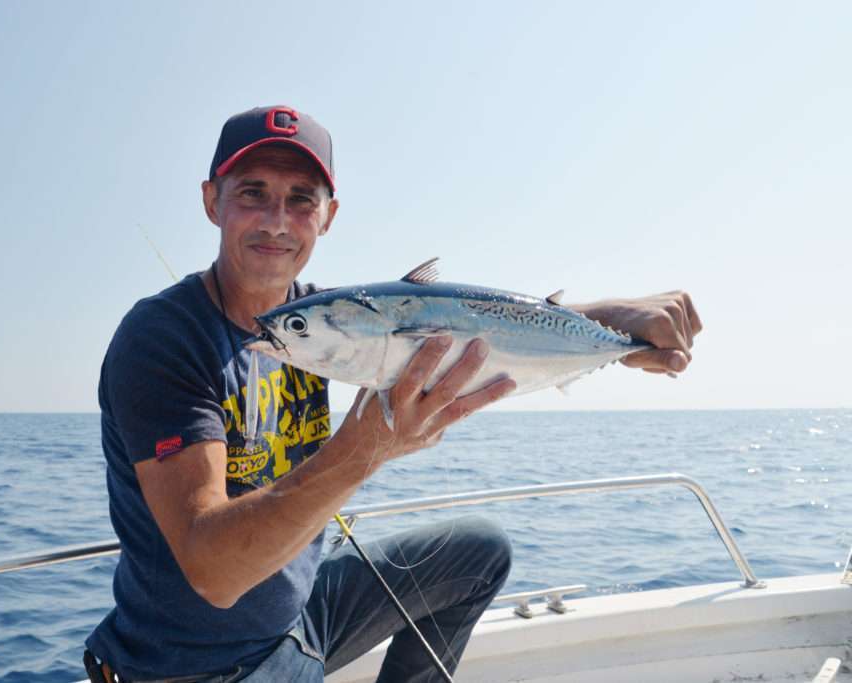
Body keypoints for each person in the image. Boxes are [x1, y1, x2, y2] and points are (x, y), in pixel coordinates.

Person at [83, 105, 702, 683]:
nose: (276, 221)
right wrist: (366, 449)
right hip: (201, 665)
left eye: (301, 199)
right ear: (211, 200)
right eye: (253, 193)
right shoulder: (163, 339)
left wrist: (609, 322)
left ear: (328, 216)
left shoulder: (322, 318)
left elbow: (454, 318)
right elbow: (213, 574)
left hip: (302, 611)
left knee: (480, 552)